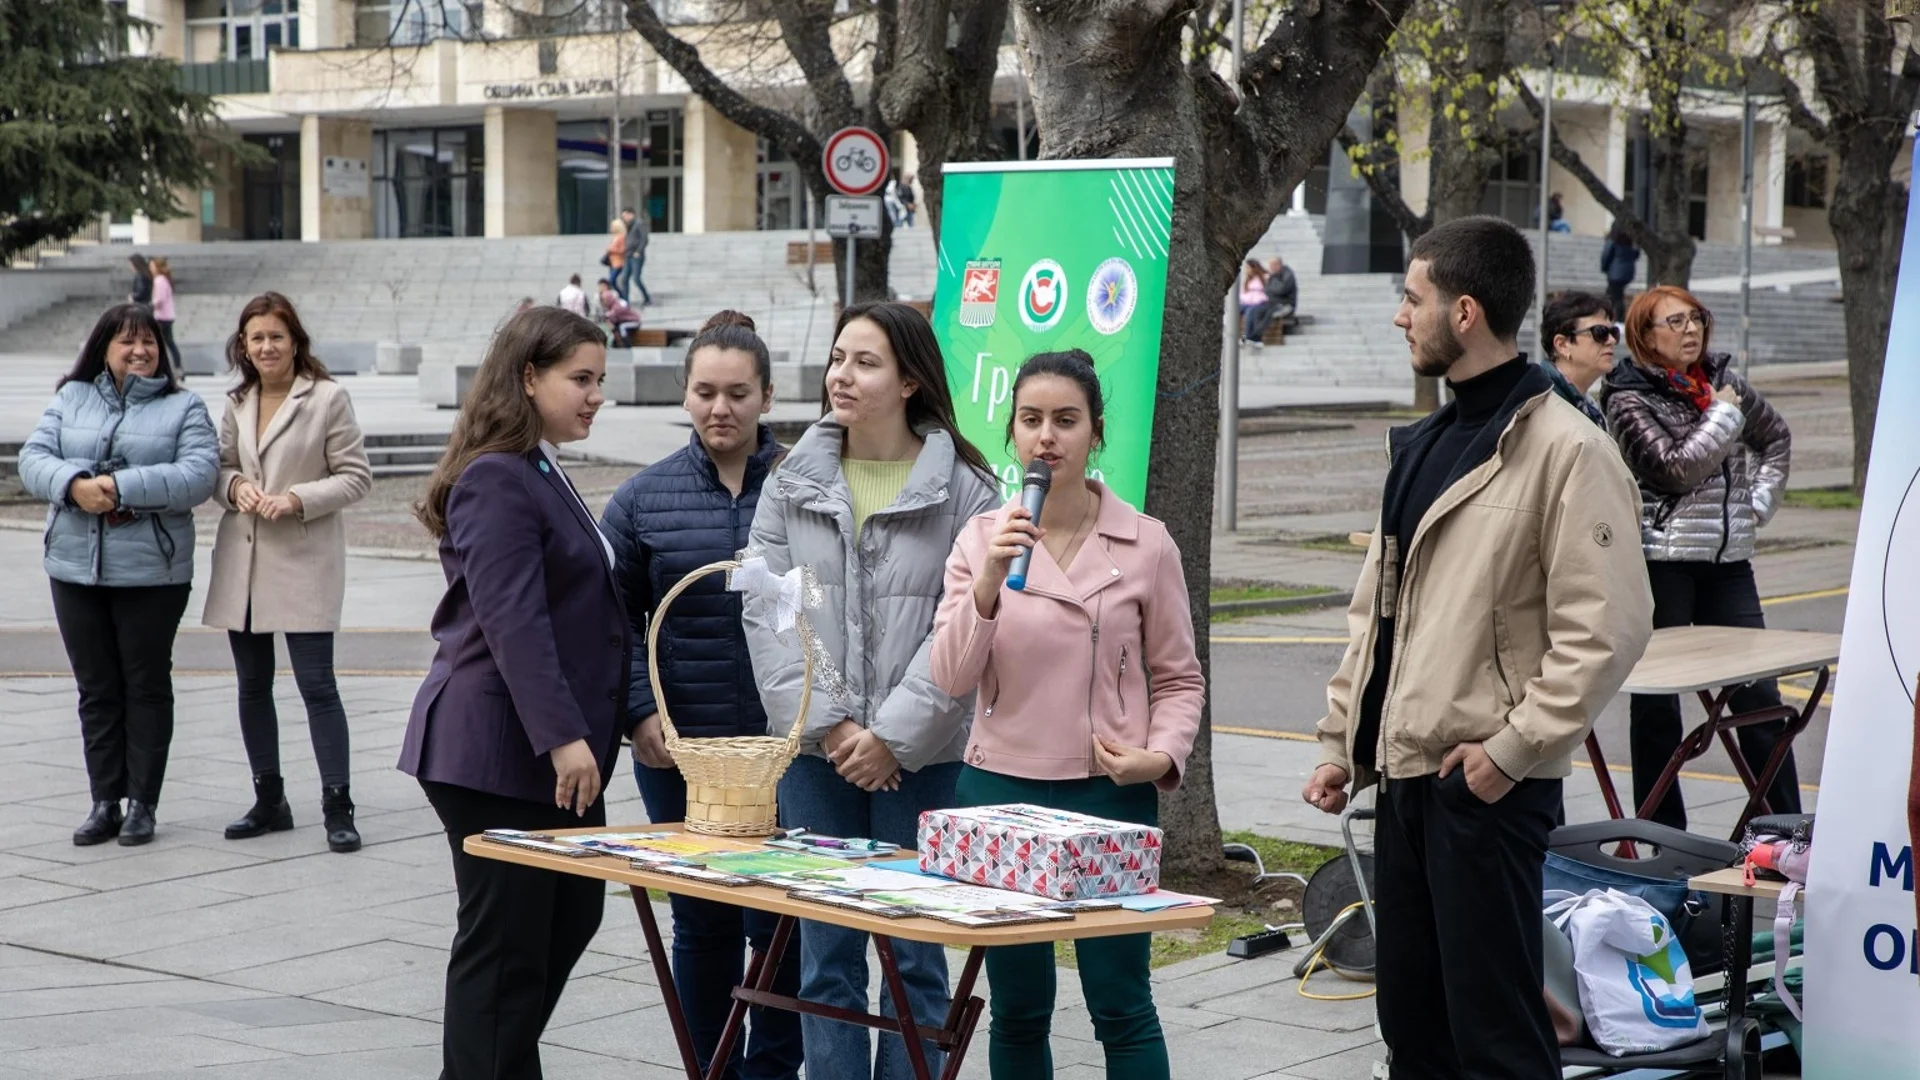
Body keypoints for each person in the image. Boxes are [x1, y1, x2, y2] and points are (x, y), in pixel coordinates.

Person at [1301, 216, 1652, 1079]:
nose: (1398, 316)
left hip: (1485, 788)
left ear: (1463, 312)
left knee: (1496, 1042)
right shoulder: (1421, 444)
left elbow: (1608, 626)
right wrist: (1342, 741)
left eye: (1410, 298)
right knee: (1413, 1030)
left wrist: (1510, 750)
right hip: (1410, 782)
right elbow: (1375, 615)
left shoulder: (1569, 448)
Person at [930, 349, 1205, 1079]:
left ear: (1097, 433)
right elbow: (949, 676)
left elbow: (1179, 678)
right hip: (1000, 794)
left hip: (1109, 796)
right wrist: (988, 581)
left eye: (1065, 420)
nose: (1047, 436)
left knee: (1121, 1001)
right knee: (1019, 1005)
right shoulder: (979, 540)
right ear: (1012, 434)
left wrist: (1161, 755)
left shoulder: (1147, 543)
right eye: (1031, 420)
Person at [744, 301, 999, 1079]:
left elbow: (964, 627)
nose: (840, 377)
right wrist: (832, 729)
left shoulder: (968, 492)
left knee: (914, 957)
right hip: (817, 757)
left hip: (921, 759)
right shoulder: (790, 482)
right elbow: (767, 611)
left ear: (912, 381)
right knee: (825, 954)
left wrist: (890, 736)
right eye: (837, 359)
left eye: (865, 362)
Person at [397, 307, 630, 1080]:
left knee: (562, 922)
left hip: (543, 749)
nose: (596, 395)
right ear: (529, 378)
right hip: (499, 752)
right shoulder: (497, 476)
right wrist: (565, 735)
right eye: (581, 379)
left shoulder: (538, 464)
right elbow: (514, 622)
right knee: (505, 952)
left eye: (600, 379)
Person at [601, 310, 803, 1080]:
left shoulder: (801, 484)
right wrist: (637, 711)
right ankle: (711, 1067)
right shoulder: (643, 500)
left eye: (739, 393)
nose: (722, 408)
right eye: (706, 392)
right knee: (702, 919)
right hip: (679, 750)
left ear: (767, 396)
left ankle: (772, 1069)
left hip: (785, 751)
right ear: (686, 396)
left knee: (782, 922)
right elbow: (610, 614)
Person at [18, 303, 218, 847]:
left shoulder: (185, 407)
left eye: (149, 341)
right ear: (103, 347)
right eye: (127, 341)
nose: (140, 350)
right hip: (73, 569)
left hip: (152, 574)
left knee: (146, 686)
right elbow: (33, 458)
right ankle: (104, 800)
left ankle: (143, 805)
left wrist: (124, 488)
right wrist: (75, 484)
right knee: (96, 689)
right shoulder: (71, 397)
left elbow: (199, 475)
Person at [1602, 286, 1797, 830]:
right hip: (1662, 563)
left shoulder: (1724, 383)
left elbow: (1776, 437)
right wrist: (1724, 417)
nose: (1691, 330)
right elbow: (1674, 470)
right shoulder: (1627, 397)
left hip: (1729, 563)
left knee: (1759, 697)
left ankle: (1788, 828)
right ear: (1646, 335)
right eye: (1675, 322)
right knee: (1659, 706)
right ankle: (1663, 836)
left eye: (1697, 319)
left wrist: (1755, 506)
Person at [203, 293, 373, 854]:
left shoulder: (327, 397)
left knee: (317, 686)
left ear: (295, 341)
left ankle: (337, 805)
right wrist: (235, 488)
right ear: (244, 347)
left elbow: (355, 476)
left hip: (303, 558)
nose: (267, 347)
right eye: (256, 338)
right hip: (244, 560)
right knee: (252, 686)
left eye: (276, 336)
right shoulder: (237, 400)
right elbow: (222, 467)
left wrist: (297, 498)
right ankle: (270, 799)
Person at [1539, 290, 1618, 428]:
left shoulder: (1588, 407)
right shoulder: (1543, 403)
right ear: (1562, 345)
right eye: (1600, 332)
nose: (1611, 340)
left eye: (1613, 332)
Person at [148, 256, 183, 380]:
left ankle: (165, 370)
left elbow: (159, 300)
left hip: (161, 317)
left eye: (152, 266)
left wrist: (151, 305)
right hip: (168, 316)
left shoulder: (159, 280)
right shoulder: (165, 279)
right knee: (169, 343)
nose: (150, 269)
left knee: (160, 344)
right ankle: (178, 369)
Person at [1601, 225, 1642, 326]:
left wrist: (1604, 268)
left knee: (1615, 296)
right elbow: (1636, 255)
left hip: (1615, 273)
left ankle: (1618, 319)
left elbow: (1606, 255)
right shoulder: (1630, 242)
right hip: (1627, 273)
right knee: (1613, 294)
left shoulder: (1613, 241)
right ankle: (1612, 316)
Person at [621, 206, 653, 305]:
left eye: (625, 216)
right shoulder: (629, 225)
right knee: (624, 278)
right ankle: (625, 301)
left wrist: (638, 251)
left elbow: (645, 239)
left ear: (631, 214)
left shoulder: (639, 223)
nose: (624, 218)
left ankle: (647, 298)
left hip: (636, 256)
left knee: (636, 279)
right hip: (628, 255)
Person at [600, 282, 642, 347]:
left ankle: (627, 346)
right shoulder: (611, 305)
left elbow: (612, 314)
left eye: (605, 300)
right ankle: (616, 344)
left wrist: (605, 316)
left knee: (622, 327)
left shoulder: (617, 305)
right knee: (614, 327)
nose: (604, 302)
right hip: (625, 321)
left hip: (634, 321)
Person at [1264, 255, 1299, 332]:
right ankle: (1252, 336)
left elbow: (1282, 289)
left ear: (1278, 264)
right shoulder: (1273, 275)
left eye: (1272, 265)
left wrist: (1269, 283)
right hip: (1272, 304)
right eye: (1270, 266)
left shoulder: (1288, 274)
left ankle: (1256, 336)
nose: (1270, 268)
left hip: (1286, 305)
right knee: (1254, 311)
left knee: (1267, 314)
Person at [1237, 259, 1268, 344]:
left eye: (1248, 268)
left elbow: (1268, 292)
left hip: (1260, 303)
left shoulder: (1264, 277)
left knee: (1250, 313)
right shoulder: (1247, 280)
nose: (1247, 270)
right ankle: (1234, 336)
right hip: (1247, 302)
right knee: (1235, 311)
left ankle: (1248, 337)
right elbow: (1243, 293)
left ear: (1254, 268)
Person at [604, 217, 628, 300]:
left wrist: (611, 249)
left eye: (612, 226)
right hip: (612, 262)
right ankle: (618, 297)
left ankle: (622, 296)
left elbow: (623, 250)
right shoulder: (615, 237)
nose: (611, 228)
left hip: (618, 263)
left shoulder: (621, 237)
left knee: (612, 281)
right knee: (611, 281)